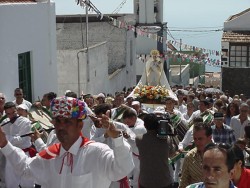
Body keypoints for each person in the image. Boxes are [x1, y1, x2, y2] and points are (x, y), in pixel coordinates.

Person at [0, 96, 134, 188]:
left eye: (68, 122)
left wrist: (117, 138)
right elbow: (25, 169)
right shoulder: (51, 154)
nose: (61, 126)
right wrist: (5, 144)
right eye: (58, 121)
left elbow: (123, 168)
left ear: (80, 125)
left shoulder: (97, 152)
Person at [1, 101, 34, 188]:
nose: (11, 116)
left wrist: (4, 138)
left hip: (24, 155)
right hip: (11, 156)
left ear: (17, 110)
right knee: (11, 182)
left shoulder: (25, 122)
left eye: (13, 112)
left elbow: (21, 140)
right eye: (8, 114)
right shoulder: (4, 122)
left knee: (27, 181)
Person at [136, 113, 174, 188]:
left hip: (146, 181)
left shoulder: (139, 139)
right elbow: (171, 153)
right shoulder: (167, 139)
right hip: (163, 181)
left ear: (145, 125)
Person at [179, 122, 213, 188]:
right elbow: (183, 182)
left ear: (209, 138)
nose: (197, 142)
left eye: (200, 139)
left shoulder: (220, 156)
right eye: (195, 139)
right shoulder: (189, 157)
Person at [122, 108, 146, 188]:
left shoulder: (140, 128)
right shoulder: (132, 124)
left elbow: (137, 143)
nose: (127, 124)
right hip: (132, 154)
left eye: (128, 122)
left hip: (139, 157)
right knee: (129, 176)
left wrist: (128, 137)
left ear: (133, 118)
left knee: (137, 179)